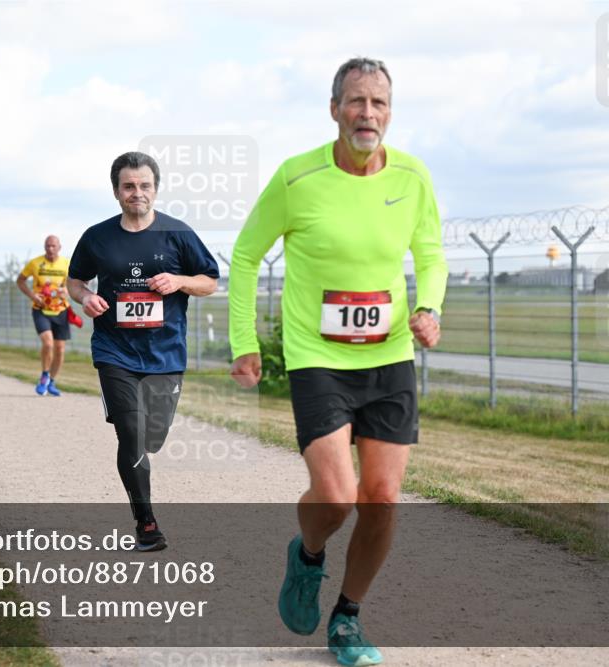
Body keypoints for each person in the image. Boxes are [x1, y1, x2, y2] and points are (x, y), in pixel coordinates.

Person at [227, 58, 448, 666]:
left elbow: (431, 255)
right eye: (356, 101)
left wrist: (428, 306)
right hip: (317, 356)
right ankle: (308, 552)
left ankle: (347, 617)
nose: (367, 113)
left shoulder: (413, 177)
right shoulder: (297, 179)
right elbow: (245, 256)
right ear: (334, 110)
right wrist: (243, 340)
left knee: (382, 497)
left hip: (389, 357)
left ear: (390, 112)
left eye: (378, 103)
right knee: (337, 493)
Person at [68, 151, 219, 552]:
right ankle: (146, 522)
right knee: (131, 434)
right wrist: (86, 298)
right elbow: (75, 280)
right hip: (114, 350)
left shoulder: (178, 234)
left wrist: (180, 280)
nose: (138, 193)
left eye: (145, 185)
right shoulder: (97, 237)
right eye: (129, 186)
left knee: (152, 437)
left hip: (165, 353)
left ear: (156, 188)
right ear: (116, 191)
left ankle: (145, 467)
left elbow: (209, 282)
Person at [18, 235, 72, 396]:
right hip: (40, 309)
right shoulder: (35, 263)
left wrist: (66, 291)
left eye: (53, 246)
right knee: (48, 343)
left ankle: (52, 382)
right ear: (44, 247)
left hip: (61, 310)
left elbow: (75, 284)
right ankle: (44, 375)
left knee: (60, 349)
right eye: (47, 246)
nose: (50, 249)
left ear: (59, 247)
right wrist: (32, 295)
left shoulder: (67, 264)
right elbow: (20, 281)